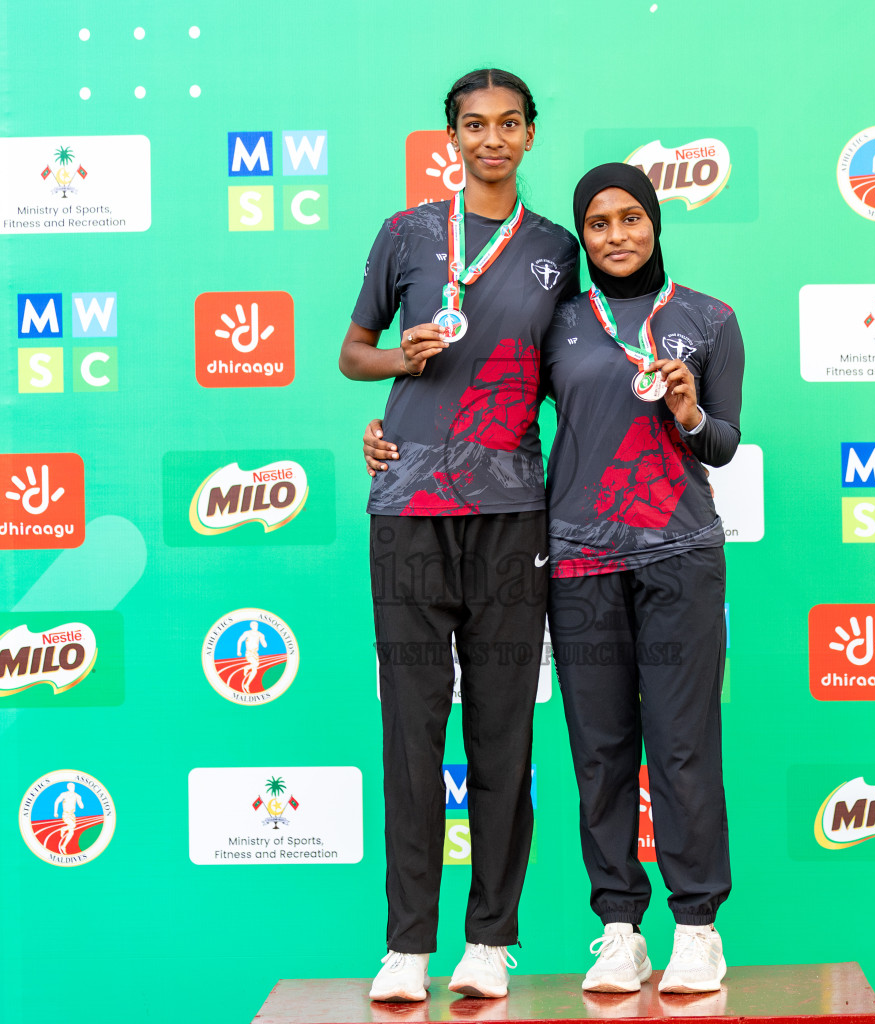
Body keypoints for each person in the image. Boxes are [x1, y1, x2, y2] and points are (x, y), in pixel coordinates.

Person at [366, 163, 744, 995]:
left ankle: (696, 929)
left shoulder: (711, 318)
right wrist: (396, 434)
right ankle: (618, 930)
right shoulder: (565, 319)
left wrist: (687, 414)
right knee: (599, 754)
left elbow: (722, 443)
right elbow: (485, 397)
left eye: (630, 218)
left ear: (654, 222)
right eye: (600, 222)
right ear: (585, 234)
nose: (616, 235)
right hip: (577, 557)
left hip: (679, 555)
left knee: (682, 749)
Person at [338, 68, 580, 1003]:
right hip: (406, 507)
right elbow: (354, 351)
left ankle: (489, 938)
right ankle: (406, 945)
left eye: (508, 124)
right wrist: (400, 360)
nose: (491, 139)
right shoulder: (405, 235)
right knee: (410, 727)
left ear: (529, 135)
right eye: (474, 125)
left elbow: (585, 371)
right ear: (452, 135)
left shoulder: (558, 249)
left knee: (503, 729)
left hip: (512, 510)